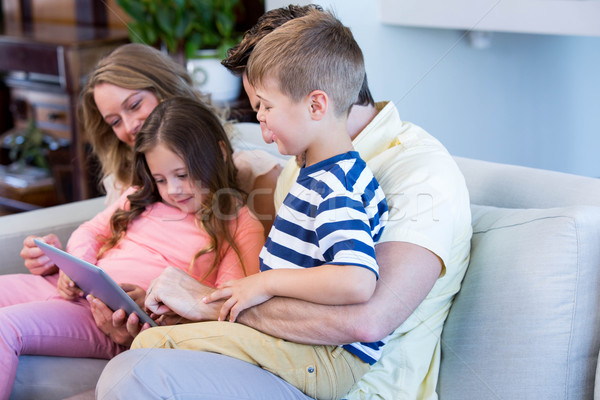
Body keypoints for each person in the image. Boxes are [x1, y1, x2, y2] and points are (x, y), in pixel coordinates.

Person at [97, 6, 472, 400]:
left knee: (136, 372)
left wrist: (211, 305)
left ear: (314, 96)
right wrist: (181, 308)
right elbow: (291, 282)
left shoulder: (421, 172)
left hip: (353, 387)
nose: (264, 132)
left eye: (265, 107)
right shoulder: (303, 166)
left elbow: (367, 318)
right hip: (287, 359)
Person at [128, 11, 388, 400]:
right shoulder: (314, 173)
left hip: (323, 357)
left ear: (316, 106)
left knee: (152, 348)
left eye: (265, 106)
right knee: (161, 338)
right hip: (300, 345)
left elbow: (357, 279)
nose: (259, 118)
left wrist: (263, 283)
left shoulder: (335, 184)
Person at [0, 96, 265, 398]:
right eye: (161, 179)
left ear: (218, 153)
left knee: (5, 327)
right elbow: (88, 232)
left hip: (109, 319)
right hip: (69, 289)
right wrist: (76, 266)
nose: (173, 190)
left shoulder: (240, 224)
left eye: (182, 175)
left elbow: (222, 306)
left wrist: (158, 307)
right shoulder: (141, 196)